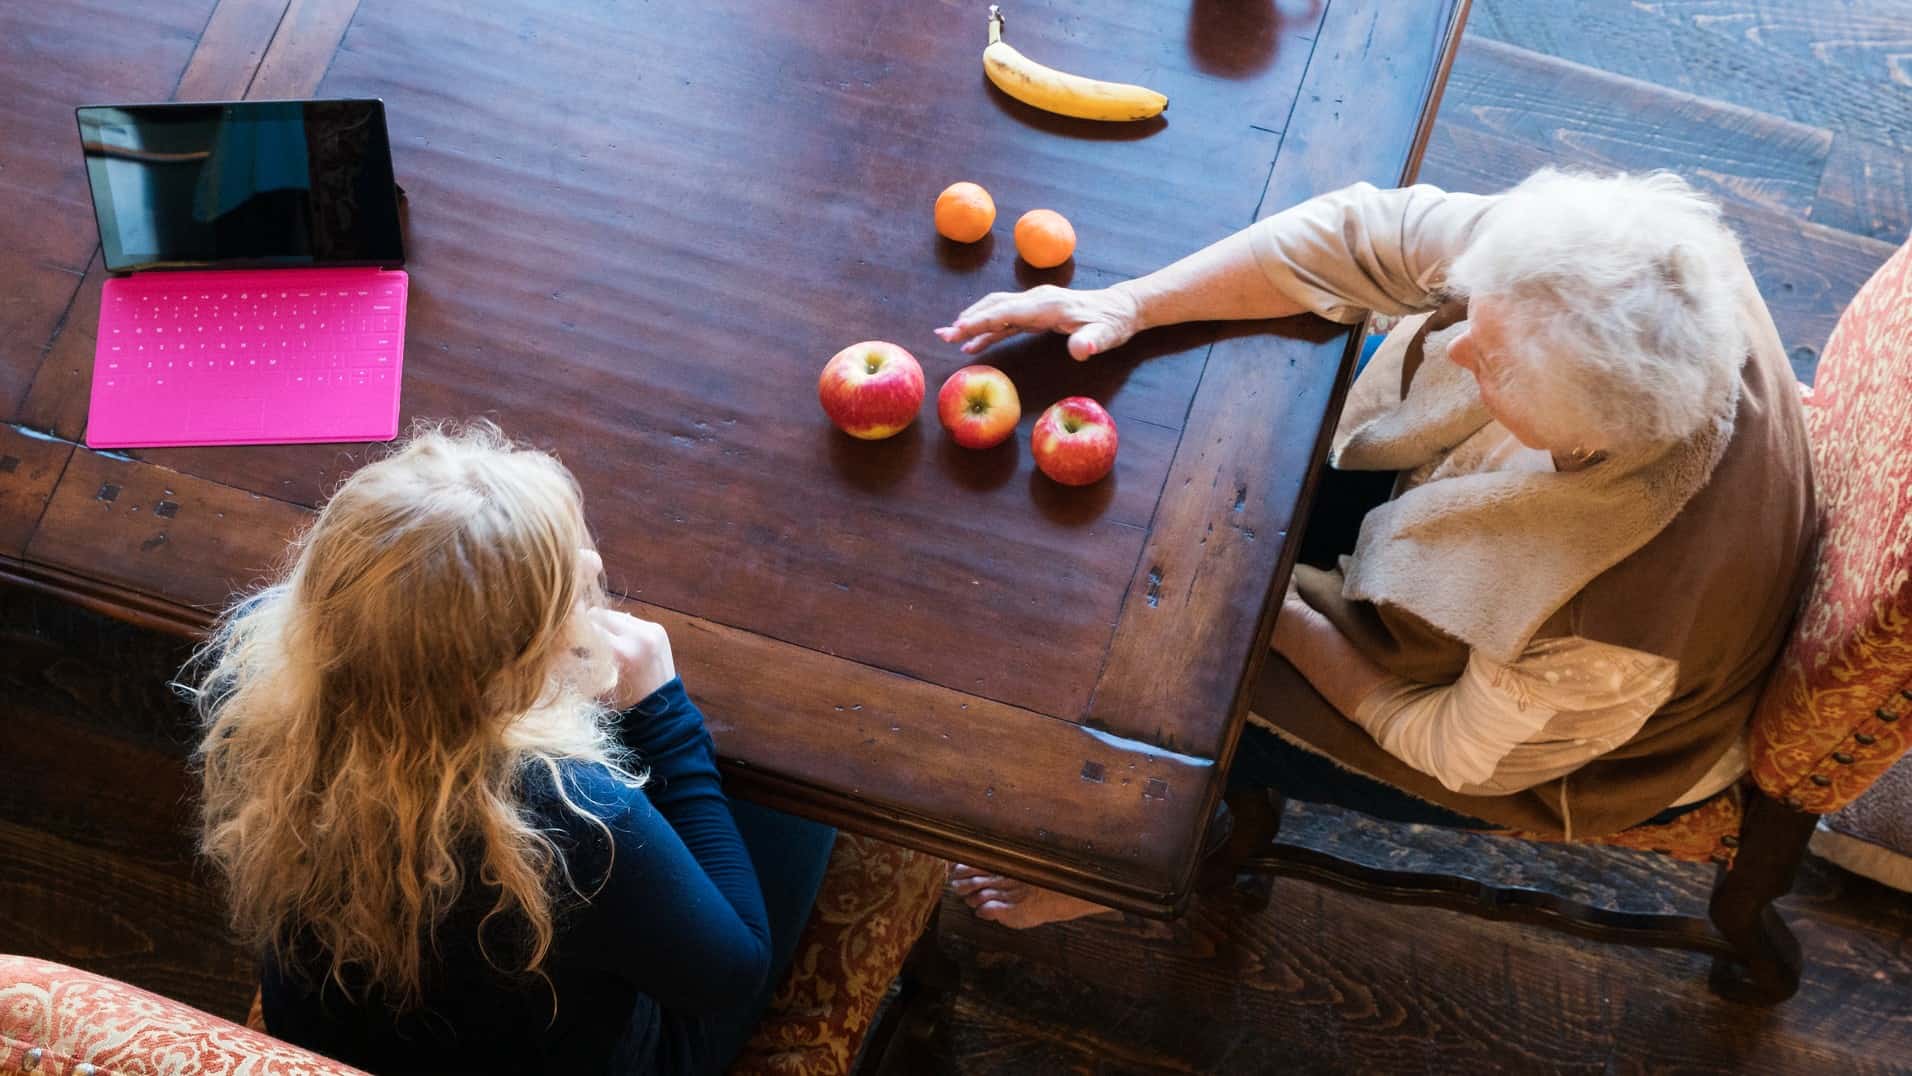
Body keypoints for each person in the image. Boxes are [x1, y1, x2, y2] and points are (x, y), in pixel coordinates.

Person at [934, 169, 1815, 928]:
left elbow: (1455, 750)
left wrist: (1274, 621)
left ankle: (1146, 847)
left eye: (1494, 364)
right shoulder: (1598, 268)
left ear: (1590, 433)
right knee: (1229, 434)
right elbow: (1361, 237)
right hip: (1507, 576)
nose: (1456, 336)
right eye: (1479, 309)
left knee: (1163, 660)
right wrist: (1128, 302)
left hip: (1559, 743)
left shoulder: (1612, 622)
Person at [189, 422, 836, 1072]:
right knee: (804, 800)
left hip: (335, 1039)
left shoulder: (251, 682)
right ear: (508, 675)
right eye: (563, 598)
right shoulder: (573, 818)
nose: (584, 578)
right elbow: (730, 975)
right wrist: (664, 713)